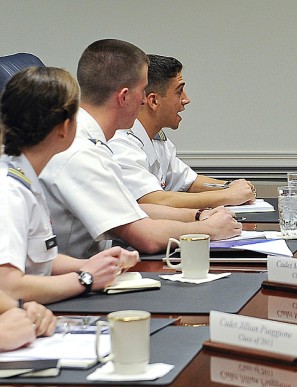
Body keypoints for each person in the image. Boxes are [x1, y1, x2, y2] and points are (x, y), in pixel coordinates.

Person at [40, 39, 242, 259]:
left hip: (94, 266)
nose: (146, 101)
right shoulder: (82, 151)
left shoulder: (88, 139)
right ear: (124, 97)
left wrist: (199, 215)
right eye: (143, 91)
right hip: (70, 278)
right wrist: (209, 230)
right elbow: (144, 236)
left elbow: (132, 211)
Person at [0, 66, 139, 304]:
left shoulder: (25, 175)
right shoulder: (9, 191)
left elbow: (38, 259)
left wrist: (93, 265)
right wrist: (85, 278)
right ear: (65, 127)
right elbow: (8, 286)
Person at [109, 54, 256, 209]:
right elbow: (154, 200)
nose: (186, 99)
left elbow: (188, 181)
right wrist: (227, 195)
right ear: (153, 101)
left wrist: (232, 186)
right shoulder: (120, 143)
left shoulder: (158, 140)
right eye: (179, 92)